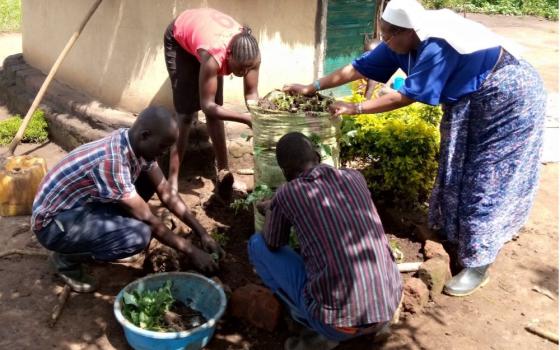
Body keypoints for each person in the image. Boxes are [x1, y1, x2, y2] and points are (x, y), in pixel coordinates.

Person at [284, 0, 546, 297]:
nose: (384, 41)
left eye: (388, 35)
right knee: (457, 167)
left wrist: (355, 108)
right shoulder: (401, 39)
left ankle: (478, 262)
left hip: (509, 97)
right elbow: (357, 68)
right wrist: (312, 86)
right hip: (471, 99)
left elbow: (406, 97)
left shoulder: (437, 45)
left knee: (488, 177)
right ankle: (457, 234)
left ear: (408, 31)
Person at [31, 107, 224, 293]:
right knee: (138, 236)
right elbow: (148, 219)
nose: (164, 152)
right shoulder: (113, 161)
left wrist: (202, 233)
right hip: (53, 224)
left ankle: (101, 238)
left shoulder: (134, 143)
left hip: (79, 206)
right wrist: (192, 252)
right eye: (163, 146)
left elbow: (166, 192)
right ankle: (66, 259)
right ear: (145, 135)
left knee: (149, 182)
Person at [248, 132, 402, 349]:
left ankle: (308, 324)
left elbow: (273, 242)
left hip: (336, 325)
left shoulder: (288, 192)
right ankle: (373, 327)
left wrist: (271, 209)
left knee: (256, 245)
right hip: (387, 307)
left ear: (285, 172)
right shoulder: (354, 176)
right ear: (318, 156)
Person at [164, 8, 260, 195]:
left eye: (248, 69)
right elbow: (207, 106)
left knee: (217, 115)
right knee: (185, 116)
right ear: (229, 55)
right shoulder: (215, 56)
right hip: (180, 39)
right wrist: (245, 119)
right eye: (239, 69)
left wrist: (258, 116)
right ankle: (172, 180)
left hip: (205, 38)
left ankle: (224, 173)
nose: (243, 73)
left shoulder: (250, 55)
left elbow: (252, 94)